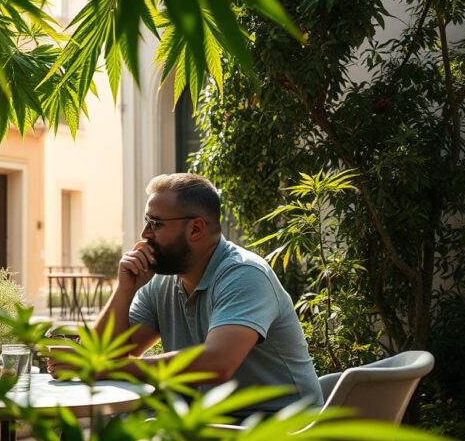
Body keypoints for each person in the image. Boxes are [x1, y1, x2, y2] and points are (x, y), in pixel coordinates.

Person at [48, 173, 322, 417]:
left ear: (196, 229)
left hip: (279, 429)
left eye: (155, 224)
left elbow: (218, 363)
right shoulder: (162, 283)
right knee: (116, 426)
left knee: (127, 436)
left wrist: (107, 369)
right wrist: (125, 289)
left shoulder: (244, 274)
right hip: (212, 422)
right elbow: (109, 352)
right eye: (147, 222)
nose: (144, 234)